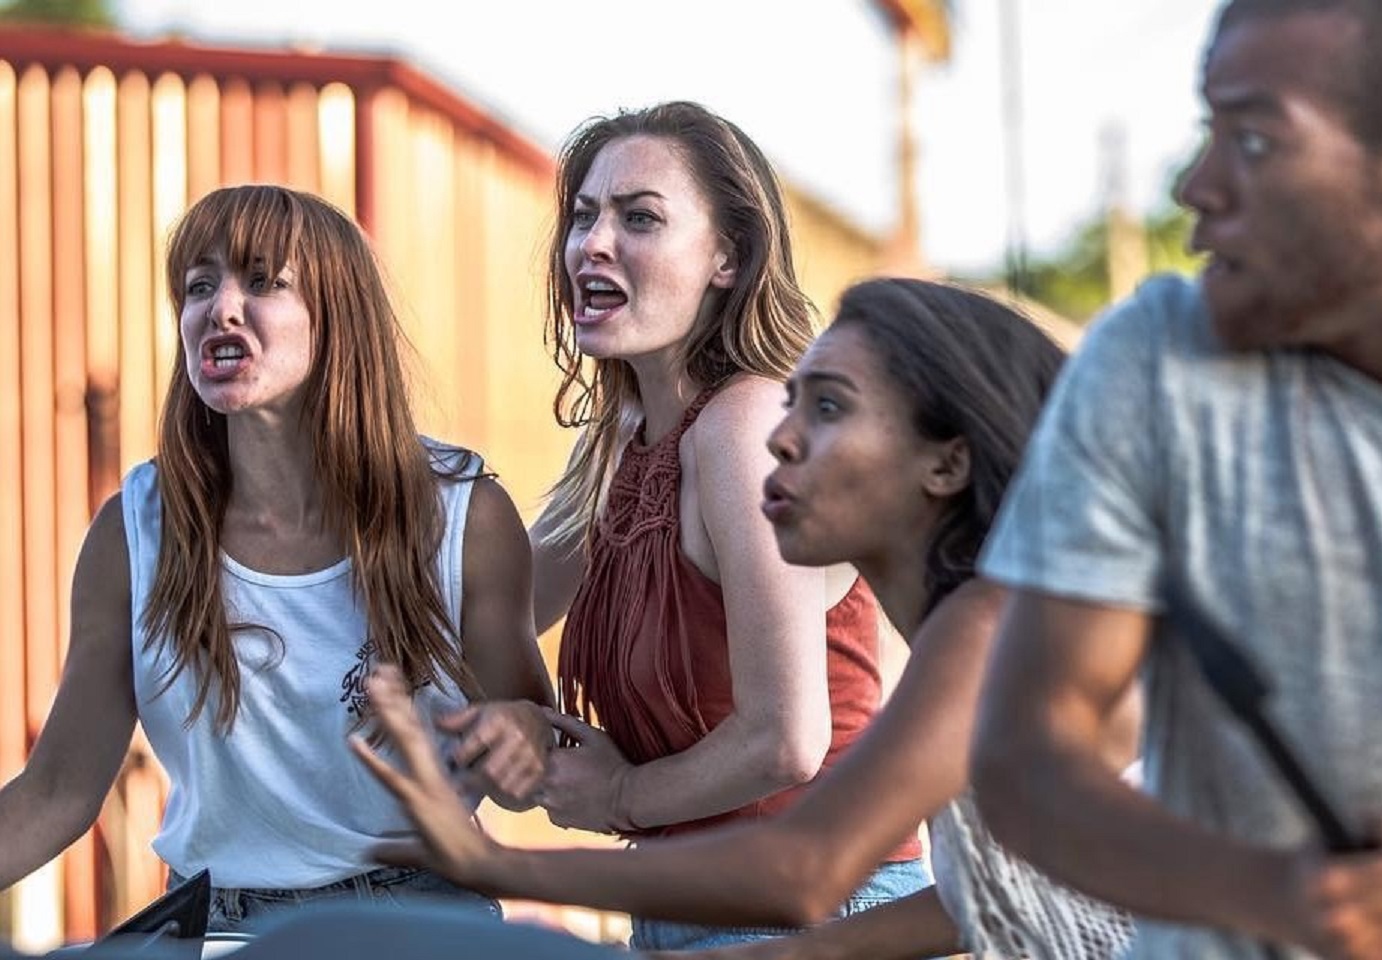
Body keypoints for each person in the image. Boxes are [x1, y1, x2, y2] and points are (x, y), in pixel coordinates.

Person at [968, 1, 1382, 958]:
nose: (1197, 186)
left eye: (1256, 139)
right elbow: (1028, 756)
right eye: (1210, 132)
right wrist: (1269, 893)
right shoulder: (1153, 362)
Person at [353, 277, 1139, 959]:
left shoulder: (995, 628)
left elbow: (809, 870)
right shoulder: (979, 628)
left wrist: (499, 866)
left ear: (946, 461)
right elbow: (986, 900)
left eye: (829, 408)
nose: (784, 438)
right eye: (794, 403)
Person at [0, 184, 556, 933]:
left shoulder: (462, 515)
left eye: (262, 282)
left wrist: (521, 737)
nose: (221, 307)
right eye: (201, 286)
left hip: (419, 922)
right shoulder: (134, 530)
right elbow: (59, 790)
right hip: (210, 926)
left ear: (339, 319)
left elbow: (531, 771)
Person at [498, 101, 926, 951]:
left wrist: (617, 796)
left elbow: (786, 738)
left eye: (639, 218)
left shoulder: (747, 426)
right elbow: (489, 607)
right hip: (693, 909)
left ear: (727, 256)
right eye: (583, 216)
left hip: (812, 911)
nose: (592, 243)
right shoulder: (619, 444)